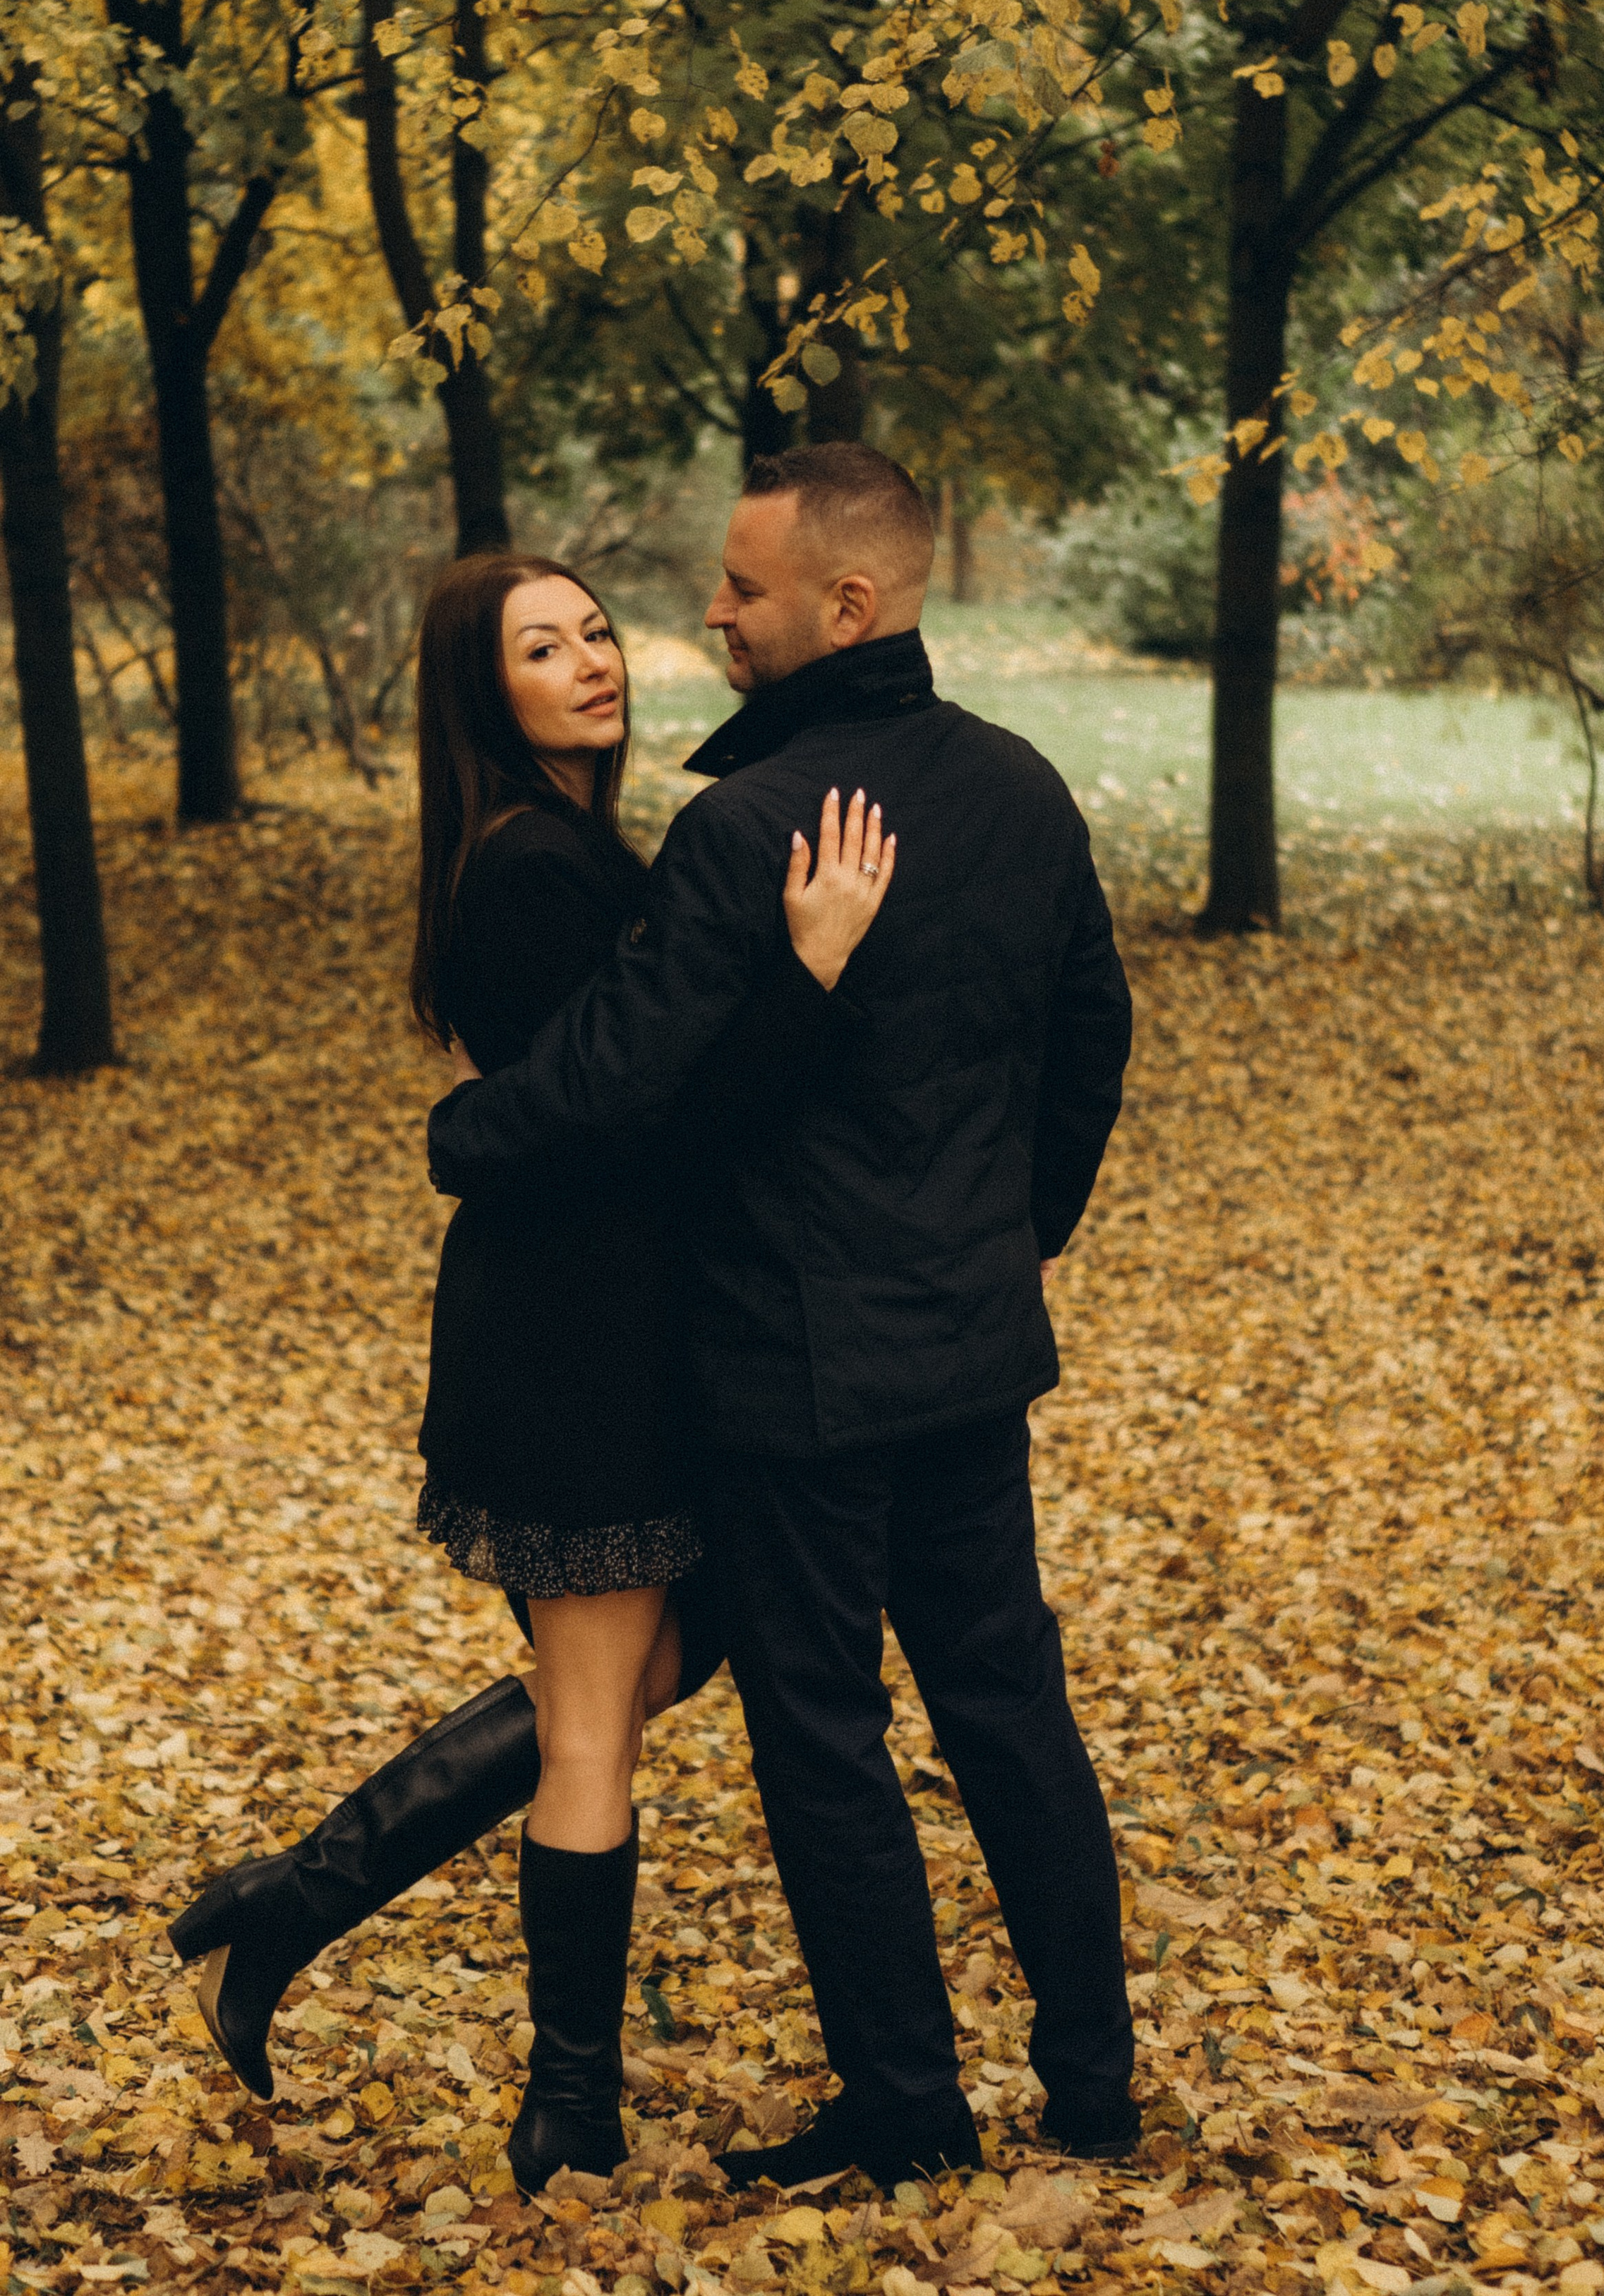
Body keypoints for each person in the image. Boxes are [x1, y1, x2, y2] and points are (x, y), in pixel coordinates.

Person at [428, 447, 1138, 2193]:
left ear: (842, 604)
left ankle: (909, 2107)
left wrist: (463, 1135)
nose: (710, 616)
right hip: (966, 1356)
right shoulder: (1021, 787)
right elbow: (1089, 1041)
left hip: (792, 1372)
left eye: (738, 590)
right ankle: (1094, 2085)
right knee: (1007, 1712)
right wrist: (1016, 1236)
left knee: (827, 1740)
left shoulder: (746, 829)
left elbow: (614, 1085)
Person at [169, 553, 891, 2196]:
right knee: (594, 1719)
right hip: (580, 1345)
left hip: (603, 1325)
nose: (589, 663)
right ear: (477, 692)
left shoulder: (571, 849)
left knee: (642, 1674)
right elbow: (641, 1110)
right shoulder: (533, 873)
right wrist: (808, 974)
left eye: (591, 633)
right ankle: (564, 2111)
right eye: (539, 648)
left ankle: (280, 1909)